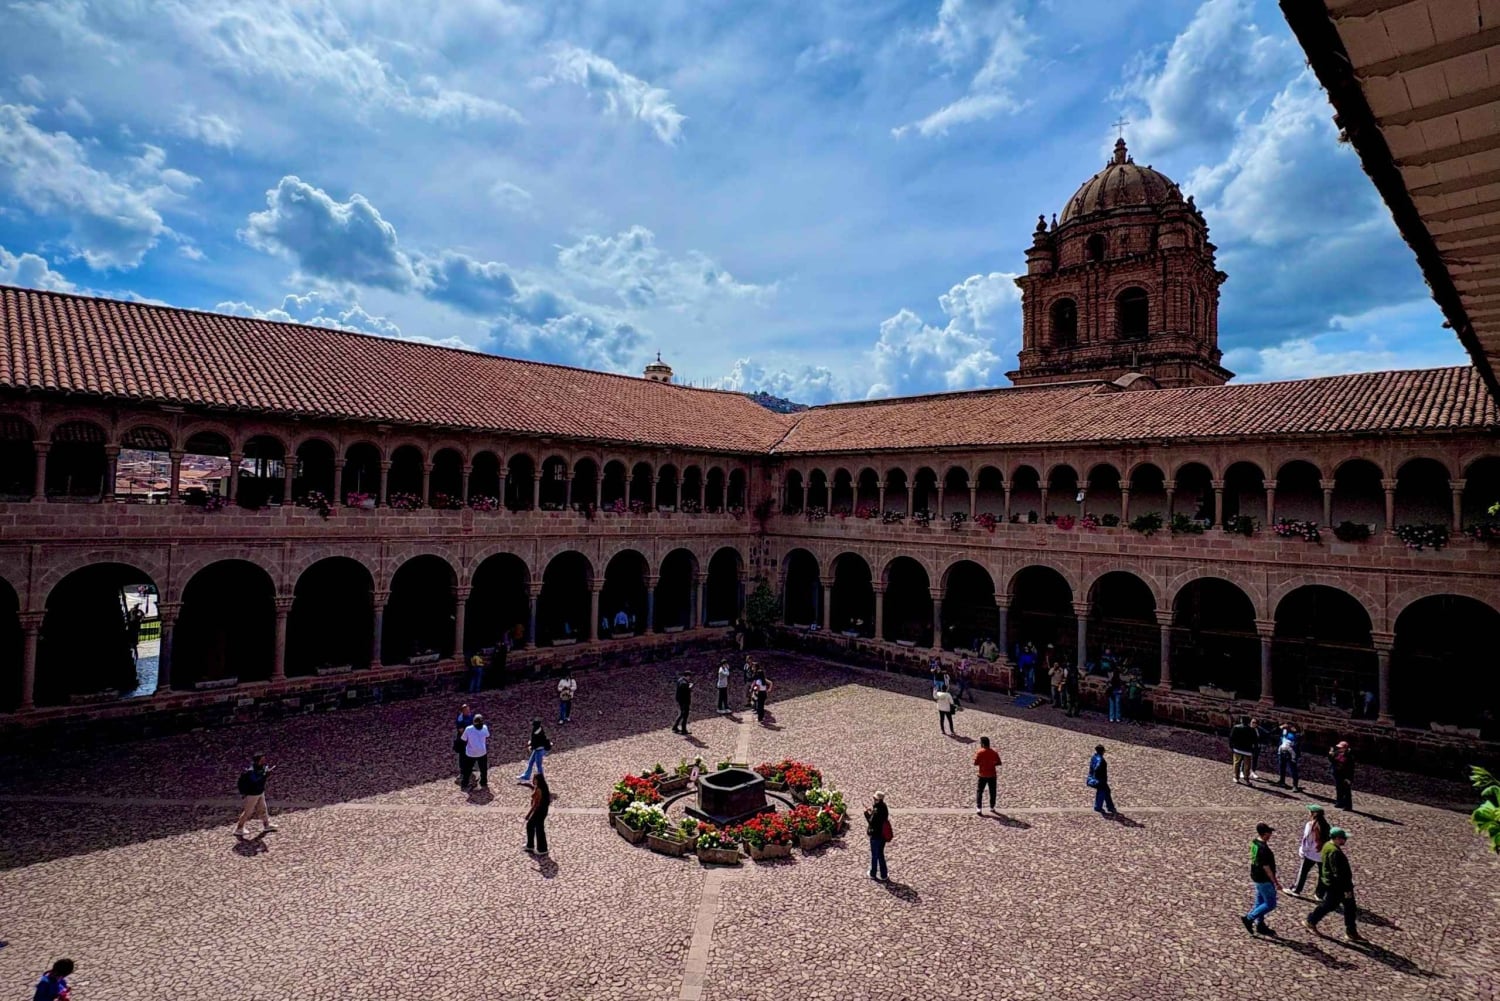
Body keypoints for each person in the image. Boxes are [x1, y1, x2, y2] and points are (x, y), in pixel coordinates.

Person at [1305, 827, 1364, 943]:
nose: (1345, 840)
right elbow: (1338, 872)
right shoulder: (1334, 852)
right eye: (1343, 838)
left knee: (1337, 906)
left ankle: (1350, 931)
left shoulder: (1327, 845)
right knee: (1340, 906)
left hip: (1333, 884)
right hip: (1339, 886)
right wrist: (1347, 889)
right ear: (1337, 838)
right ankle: (1311, 921)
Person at [1240, 822, 1283, 936]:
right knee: (1270, 904)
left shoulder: (1254, 842)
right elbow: (1266, 867)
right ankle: (1249, 918)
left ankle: (1260, 924)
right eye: (1269, 833)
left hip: (1256, 876)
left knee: (1260, 902)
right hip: (1264, 879)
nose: (1271, 835)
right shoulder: (1263, 848)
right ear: (1264, 834)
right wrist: (1275, 882)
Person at [234, 752, 278, 837]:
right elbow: (255, 780)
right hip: (252, 794)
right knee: (248, 812)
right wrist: (266, 775)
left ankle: (266, 825)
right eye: (262, 759)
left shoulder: (261, 768)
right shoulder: (251, 771)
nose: (264, 761)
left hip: (260, 792)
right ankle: (239, 828)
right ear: (258, 761)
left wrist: (266, 773)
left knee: (263, 809)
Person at [1293, 804, 1331, 899]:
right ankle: (1320, 894)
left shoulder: (1310, 825)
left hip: (1311, 853)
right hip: (1322, 854)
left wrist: (1303, 850)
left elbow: (1306, 840)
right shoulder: (1326, 825)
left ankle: (1297, 889)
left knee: (1303, 872)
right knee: (1322, 874)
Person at [460, 713, 491, 789]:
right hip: (482, 752)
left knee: (467, 769)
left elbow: (463, 739)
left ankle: (465, 783)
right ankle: (483, 782)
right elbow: (487, 735)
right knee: (483, 768)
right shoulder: (484, 727)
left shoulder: (468, 729)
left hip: (471, 753)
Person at [864, 791, 891, 881]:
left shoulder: (877, 810)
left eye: (875, 799)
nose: (874, 800)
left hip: (876, 835)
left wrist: (866, 814)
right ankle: (884, 874)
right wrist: (872, 812)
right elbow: (879, 818)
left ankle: (873, 873)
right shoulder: (884, 807)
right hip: (882, 835)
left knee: (874, 855)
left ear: (879, 800)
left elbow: (872, 822)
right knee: (880, 854)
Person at [525, 772, 551, 856]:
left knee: (533, 826)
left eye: (535, 779)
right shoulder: (542, 788)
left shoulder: (539, 790)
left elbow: (536, 804)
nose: (533, 780)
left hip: (539, 811)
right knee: (537, 827)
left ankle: (540, 848)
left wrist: (528, 814)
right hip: (543, 810)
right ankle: (534, 846)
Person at [974, 735, 1001, 815]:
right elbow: (999, 762)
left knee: (980, 791)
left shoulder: (980, 752)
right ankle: (992, 807)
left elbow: (975, 763)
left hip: (982, 775)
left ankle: (979, 808)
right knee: (992, 791)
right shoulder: (994, 752)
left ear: (982, 744)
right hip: (992, 775)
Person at [1088, 744, 1116, 815]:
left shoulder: (1094, 757)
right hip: (1101, 779)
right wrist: (1098, 775)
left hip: (1095, 778)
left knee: (1107, 791)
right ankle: (1099, 807)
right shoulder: (1101, 760)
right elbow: (1097, 768)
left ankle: (1110, 806)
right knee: (1102, 792)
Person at [1230, 715, 1257, 785]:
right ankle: (1246, 778)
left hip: (1237, 748)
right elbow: (1255, 740)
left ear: (1241, 720)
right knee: (1247, 765)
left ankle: (1236, 777)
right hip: (1247, 750)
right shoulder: (1252, 730)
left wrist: (1231, 746)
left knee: (1236, 763)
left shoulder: (1236, 727)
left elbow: (1232, 737)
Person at [1328, 740, 1355, 810]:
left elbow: (1350, 768)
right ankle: (1339, 802)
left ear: (1345, 748)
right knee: (1339, 789)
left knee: (1346, 791)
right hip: (1338, 774)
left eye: (1341, 748)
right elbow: (1332, 760)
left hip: (1345, 775)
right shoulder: (1337, 753)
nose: (1339, 749)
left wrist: (1349, 778)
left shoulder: (1349, 756)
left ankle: (1348, 806)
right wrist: (1330, 754)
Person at [1276, 723, 1302, 791]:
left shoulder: (1296, 734)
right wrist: (1280, 727)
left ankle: (1295, 785)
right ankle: (1282, 781)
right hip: (1282, 751)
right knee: (1282, 767)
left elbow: (1300, 737)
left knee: (1293, 769)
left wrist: (1295, 731)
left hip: (1291, 753)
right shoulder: (1284, 732)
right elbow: (1273, 732)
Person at [453, 703, 475, 785]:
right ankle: (463, 771)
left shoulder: (470, 716)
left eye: (469, 710)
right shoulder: (460, 719)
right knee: (463, 755)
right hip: (463, 740)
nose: (468, 711)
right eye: (466, 710)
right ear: (462, 711)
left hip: (470, 739)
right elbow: (461, 730)